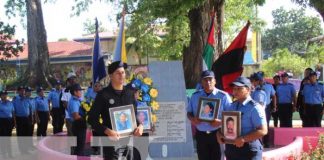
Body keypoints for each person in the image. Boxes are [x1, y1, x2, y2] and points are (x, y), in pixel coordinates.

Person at [88, 61, 143, 160]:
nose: (121, 75)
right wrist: (107, 131)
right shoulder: (103, 95)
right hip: (111, 144)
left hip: (130, 142)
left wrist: (141, 125)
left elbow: (134, 115)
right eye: (118, 73)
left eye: (123, 72)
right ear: (111, 76)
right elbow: (92, 119)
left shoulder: (130, 93)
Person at [217, 76, 267, 160]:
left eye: (239, 88)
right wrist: (219, 133)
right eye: (234, 88)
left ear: (248, 89)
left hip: (249, 150)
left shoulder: (255, 107)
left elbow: (263, 130)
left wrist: (243, 139)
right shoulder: (231, 106)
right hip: (232, 150)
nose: (235, 91)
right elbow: (225, 126)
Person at [187, 70, 232, 160]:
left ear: (215, 81)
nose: (208, 82)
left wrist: (220, 122)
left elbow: (231, 117)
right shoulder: (195, 96)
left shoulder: (223, 96)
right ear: (201, 82)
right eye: (205, 80)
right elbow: (189, 112)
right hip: (201, 135)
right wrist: (193, 119)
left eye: (210, 79)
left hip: (217, 134)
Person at [250, 72, 276, 147]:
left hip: (263, 109)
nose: (252, 83)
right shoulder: (255, 90)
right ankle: (260, 142)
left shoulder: (261, 91)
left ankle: (265, 143)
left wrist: (274, 106)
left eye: (253, 81)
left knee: (263, 125)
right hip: (260, 109)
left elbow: (260, 105)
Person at [67, 83, 87, 156]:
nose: (81, 92)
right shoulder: (73, 101)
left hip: (79, 125)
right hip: (78, 125)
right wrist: (87, 118)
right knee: (79, 148)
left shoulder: (76, 100)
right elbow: (75, 116)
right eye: (79, 91)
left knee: (80, 147)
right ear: (75, 92)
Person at [12, 86, 33, 153]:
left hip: (27, 118)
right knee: (20, 135)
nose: (22, 91)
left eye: (23, 90)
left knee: (27, 134)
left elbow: (30, 109)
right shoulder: (15, 99)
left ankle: (26, 149)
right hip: (19, 119)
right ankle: (22, 150)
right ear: (18, 91)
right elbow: (13, 112)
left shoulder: (27, 98)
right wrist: (14, 122)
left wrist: (31, 119)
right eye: (21, 90)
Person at [0, 90, 14, 158]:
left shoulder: (10, 103)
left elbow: (13, 112)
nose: (4, 96)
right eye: (3, 95)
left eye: (5, 94)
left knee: (8, 138)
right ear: (0, 96)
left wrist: (14, 122)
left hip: (9, 122)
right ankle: (4, 153)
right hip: (2, 122)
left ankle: (9, 153)